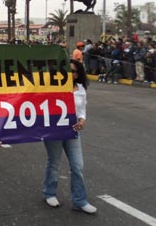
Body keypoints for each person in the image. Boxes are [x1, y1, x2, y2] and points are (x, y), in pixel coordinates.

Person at [42, 59, 97, 214]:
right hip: (54, 130)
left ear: (78, 74)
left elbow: (82, 109)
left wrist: (82, 120)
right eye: (68, 70)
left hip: (72, 131)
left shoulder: (80, 88)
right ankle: (49, 193)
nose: (71, 74)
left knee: (77, 165)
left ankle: (79, 200)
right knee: (54, 163)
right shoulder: (52, 87)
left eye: (74, 71)